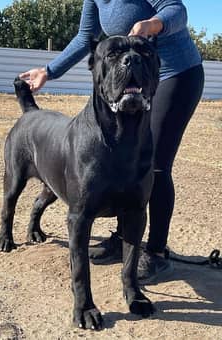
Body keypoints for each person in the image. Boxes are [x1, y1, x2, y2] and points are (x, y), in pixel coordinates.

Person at [20, 0, 204, 284]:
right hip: (126, 78)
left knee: (153, 164)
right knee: (121, 160)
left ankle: (156, 253)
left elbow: (176, 10)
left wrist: (151, 25)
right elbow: (85, 38)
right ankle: (124, 239)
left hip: (173, 75)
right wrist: (49, 70)